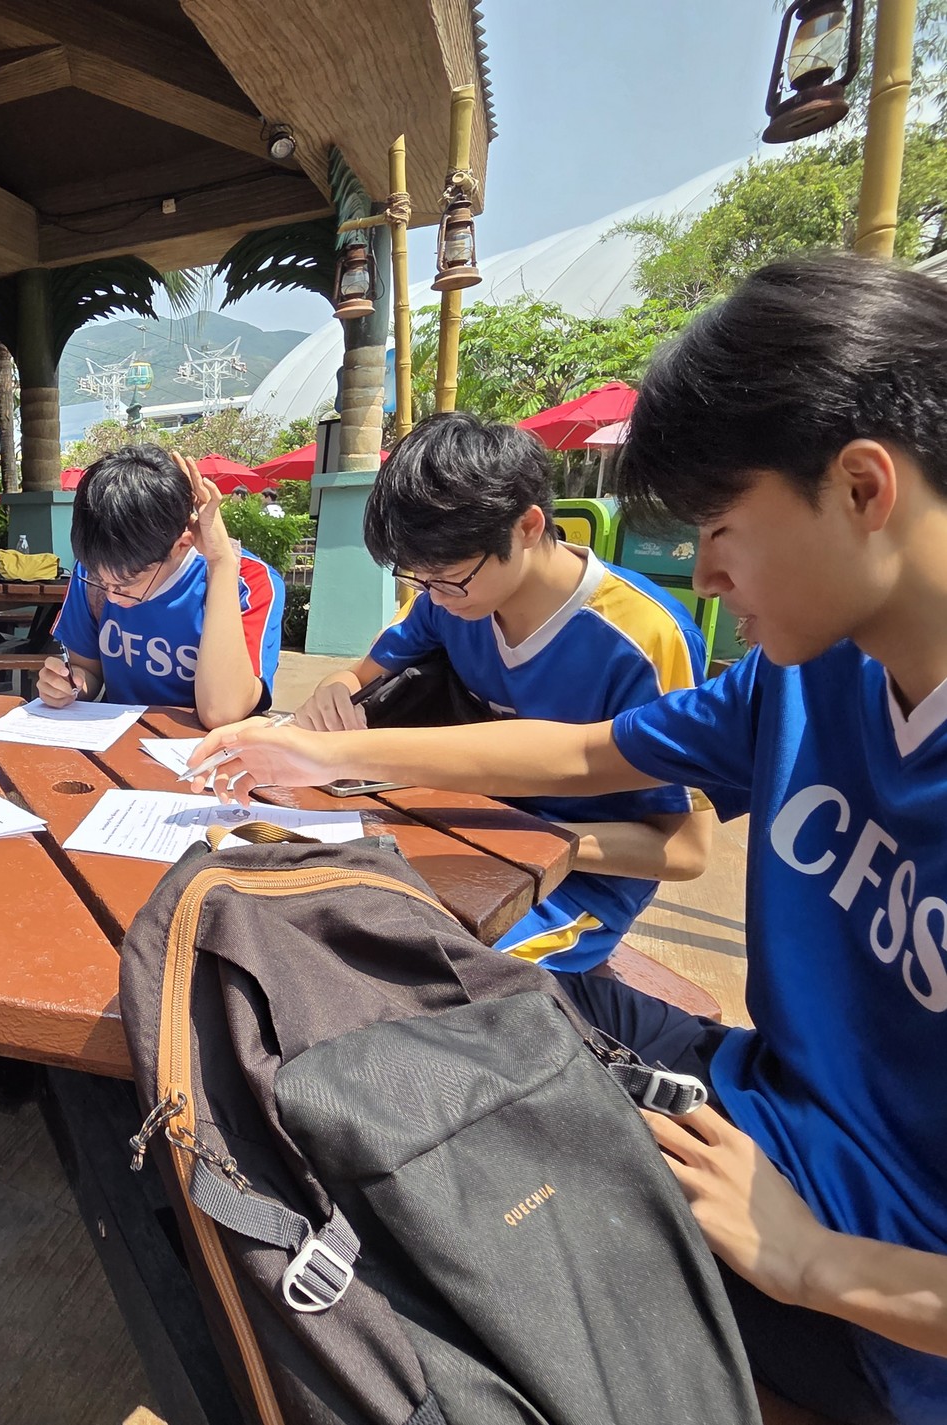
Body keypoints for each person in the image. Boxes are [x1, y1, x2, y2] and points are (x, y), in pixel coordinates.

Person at [186, 255, 947, 1425]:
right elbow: (591, 753)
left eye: (720, 526)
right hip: (765, 1101)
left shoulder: (692, 638)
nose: (705, 573)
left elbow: (656, 830)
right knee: (414, 1019)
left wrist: (815, 1264)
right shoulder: (809, 672)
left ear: (859, 488)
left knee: (442, 1206)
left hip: (873, 1279)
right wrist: (324, 757)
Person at [299, 411, 714, 972]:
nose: (434, 597)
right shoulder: (450, 600)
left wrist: (531, 843)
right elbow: (361, 672)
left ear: (527, 527)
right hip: (458, 835)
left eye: (449, 578)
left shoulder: (645, 640)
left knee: (420, 973)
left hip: (575, 884)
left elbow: (685, 850)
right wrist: (334, 687)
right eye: (418, 579)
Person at [38, 446, 286, 729]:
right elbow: (88, 670)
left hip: (200, 751)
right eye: (101, 581)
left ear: (181, 546)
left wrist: (221, 564)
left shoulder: (250, 583)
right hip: (113, 742)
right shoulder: (96, 569)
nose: (111, 596)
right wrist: (70, 685)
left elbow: (221, 713)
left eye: (126, 584)